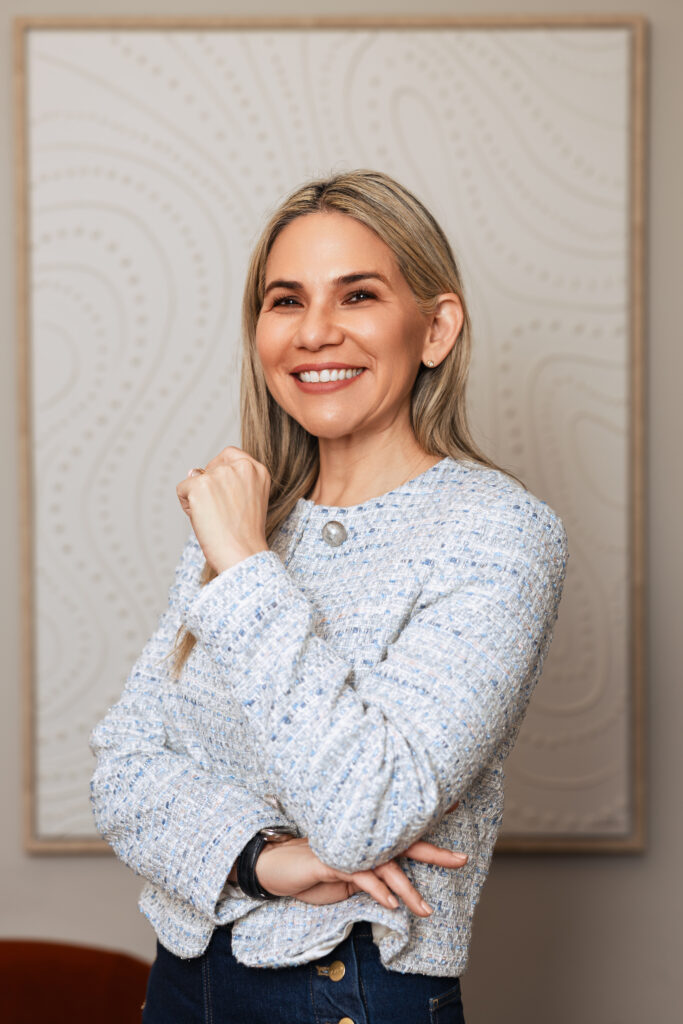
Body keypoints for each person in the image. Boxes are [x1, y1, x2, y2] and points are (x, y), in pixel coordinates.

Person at [90, 169, 569, 1024]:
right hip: (183, 984)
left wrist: (243, 567)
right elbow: (123, 769)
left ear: (435, 328)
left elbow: (366, 812)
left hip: (348, 989)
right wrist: (263, 857)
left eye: (357, 295)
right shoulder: (251, 519)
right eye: (286, 301)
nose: (314, 332)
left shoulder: (498, 532)